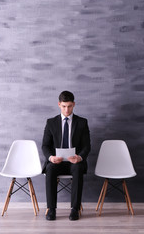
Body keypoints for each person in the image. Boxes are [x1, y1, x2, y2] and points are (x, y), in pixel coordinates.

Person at [42, 90, 91, 221]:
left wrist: (79, 157)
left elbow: (87, 146)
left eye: (69, 106)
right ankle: (51, 209)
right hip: (56, 162)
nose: (67, 109)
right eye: (64, 106)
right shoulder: (51, 122)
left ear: (74, 104)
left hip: (74, 162)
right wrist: (51, 158)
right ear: (59, 104)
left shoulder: (82, 122)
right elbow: (45, 146)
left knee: (78, 168)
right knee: (50, 168)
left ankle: (74, 209)